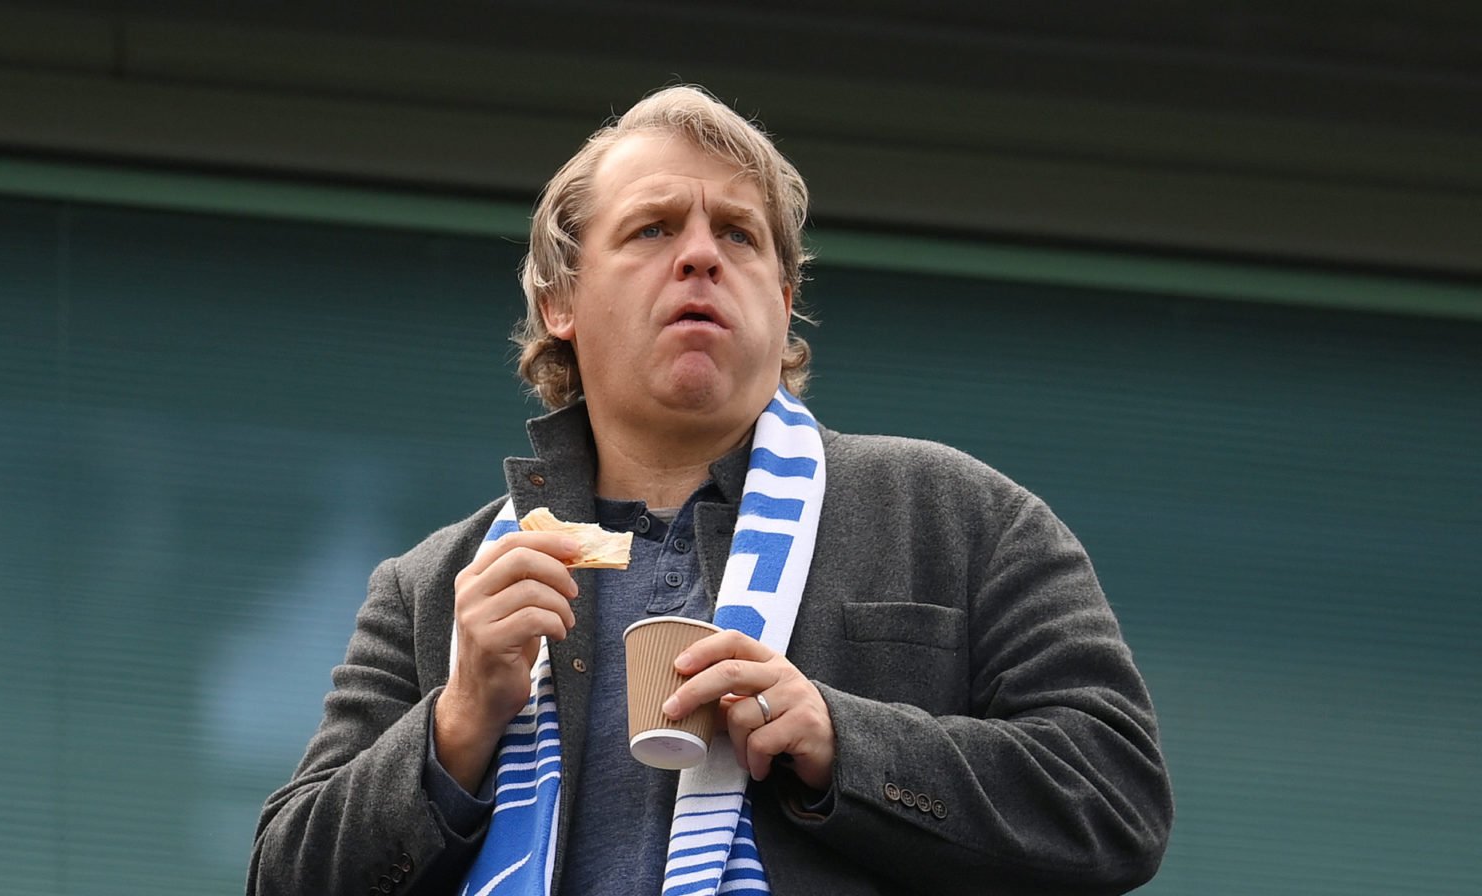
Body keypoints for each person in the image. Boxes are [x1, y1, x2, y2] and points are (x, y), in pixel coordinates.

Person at [248, 84, 1172, 896]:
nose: (701, 257)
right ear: (559, 305)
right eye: (653, 229)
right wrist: (456, 725)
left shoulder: (960, 517)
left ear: (782, 299)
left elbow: (1114, 799)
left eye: (738, 234)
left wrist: (840, 741)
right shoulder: (435, 589)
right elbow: (285, 878)